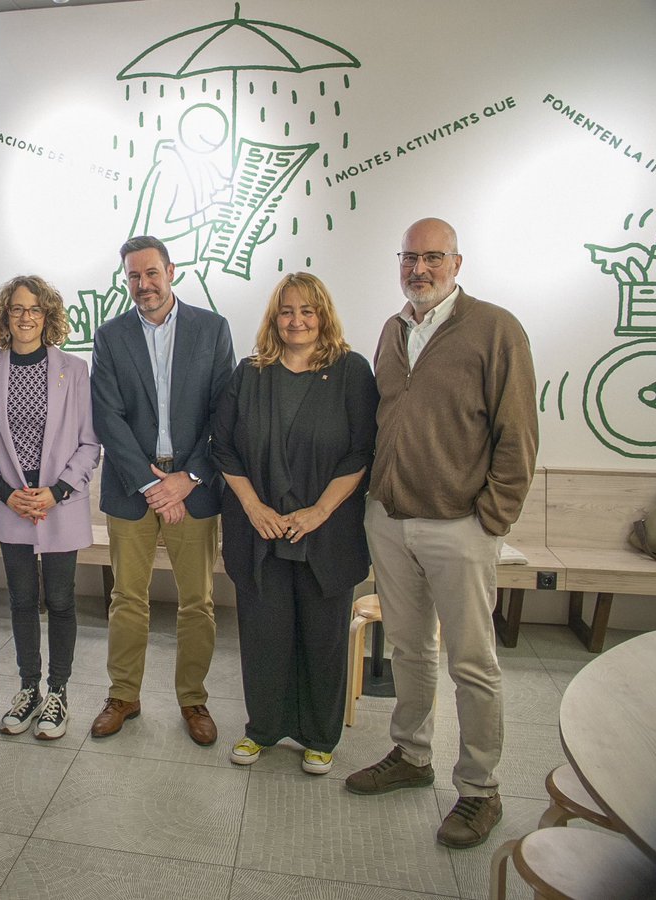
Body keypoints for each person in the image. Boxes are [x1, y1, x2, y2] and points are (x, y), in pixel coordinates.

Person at [345, 217, 539, 850]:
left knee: (473, 663)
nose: (419, 269)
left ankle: (480, 789)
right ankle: (412, 755)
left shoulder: (495, 328)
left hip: (460, 527)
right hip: (392, 521)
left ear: (458, 263)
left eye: (433, 258)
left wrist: (492, 518)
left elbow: (518, 434)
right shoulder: (393, 329)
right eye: (409, 257)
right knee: (409, 650)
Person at [210, 272, 378, 772]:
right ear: (274, 318)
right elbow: (224, 448)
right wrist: (254, 508)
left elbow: (361, 451)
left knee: (323, 639)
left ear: (323, 315)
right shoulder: (250, 373)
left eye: (307, 311)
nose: (297, 320)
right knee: (264, 636)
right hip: (260, 533)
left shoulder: (351, 371)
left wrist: (318, 512)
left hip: (325, 534)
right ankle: (262, 728)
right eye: (287, 311)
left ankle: (320, 736)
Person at [89, 235, 235, 745]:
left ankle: (193, 700)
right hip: (134, 487)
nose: (143, 285)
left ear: (171, 271)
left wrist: (187, 479)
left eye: (151, 273)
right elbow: (106, 416)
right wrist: (153, 484)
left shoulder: (212, 329)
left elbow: (224, 414)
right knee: (127, 598)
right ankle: (123, 695)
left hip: (193, 485)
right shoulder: (110, 336)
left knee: (197, 601)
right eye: (133, 276)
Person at [0, 275, 100, 740]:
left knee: (61, 601)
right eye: (17, 309)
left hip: (60, 503)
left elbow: (89, 443)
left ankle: (58, 694)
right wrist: (3, 490)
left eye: (35, 310)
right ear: (5, 316)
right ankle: (28, 690)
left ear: (48, 316)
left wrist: (57, 491)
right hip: (11, 504)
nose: (26, 317)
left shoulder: (74, 370)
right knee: (22, 600)